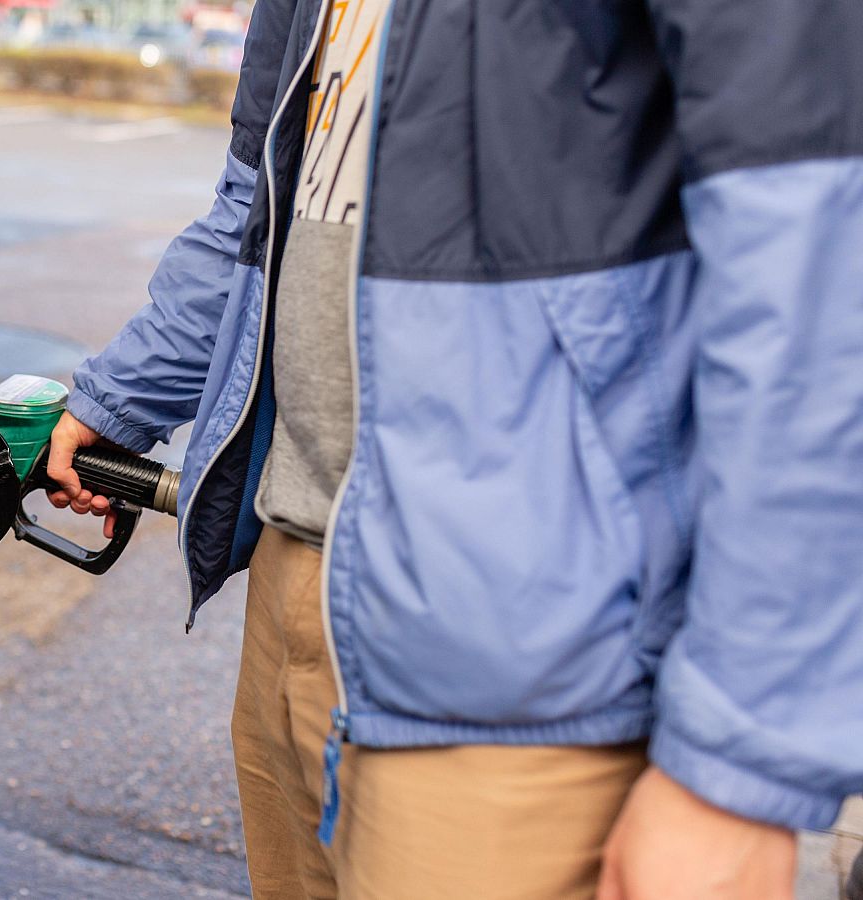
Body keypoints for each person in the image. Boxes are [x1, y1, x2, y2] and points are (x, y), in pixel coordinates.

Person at [44, 0, 863, 896]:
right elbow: (259, 201)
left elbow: (815, 288)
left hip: (534, 643)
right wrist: (124, 394)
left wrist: (738, 772)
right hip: (294, 579)